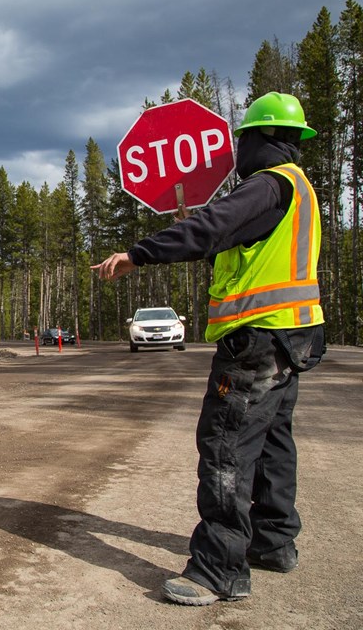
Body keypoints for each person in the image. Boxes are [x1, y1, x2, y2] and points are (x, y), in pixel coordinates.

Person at [92, 92, 325, 606]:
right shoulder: (300, 188)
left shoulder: (267, 187)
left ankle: (220, 568)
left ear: (259, 138)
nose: (236, 148)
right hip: (294, 336)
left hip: (258, 342)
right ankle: (273, 542)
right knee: (272, 445)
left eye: (242, 138)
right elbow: (239, 246)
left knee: (226, 447)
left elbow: (210, 228)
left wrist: (137, 254)